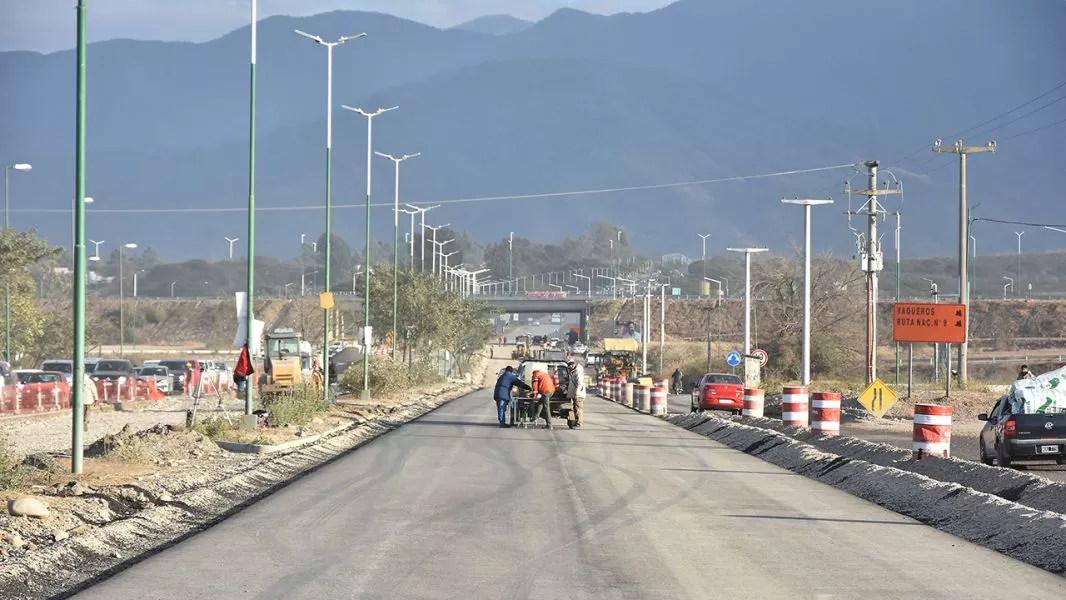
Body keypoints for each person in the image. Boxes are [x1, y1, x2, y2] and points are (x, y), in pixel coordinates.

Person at [566, 359, 586, 429]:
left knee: (578, 409)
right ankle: (577, 423)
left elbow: (579, 384)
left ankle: (579, 424)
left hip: (578, 395)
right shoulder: (574, 372)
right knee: (575, 409)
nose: (569, 368)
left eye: (569, 367)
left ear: (572, 365)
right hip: (575, 394)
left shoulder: (578, 372)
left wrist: (577, 393)